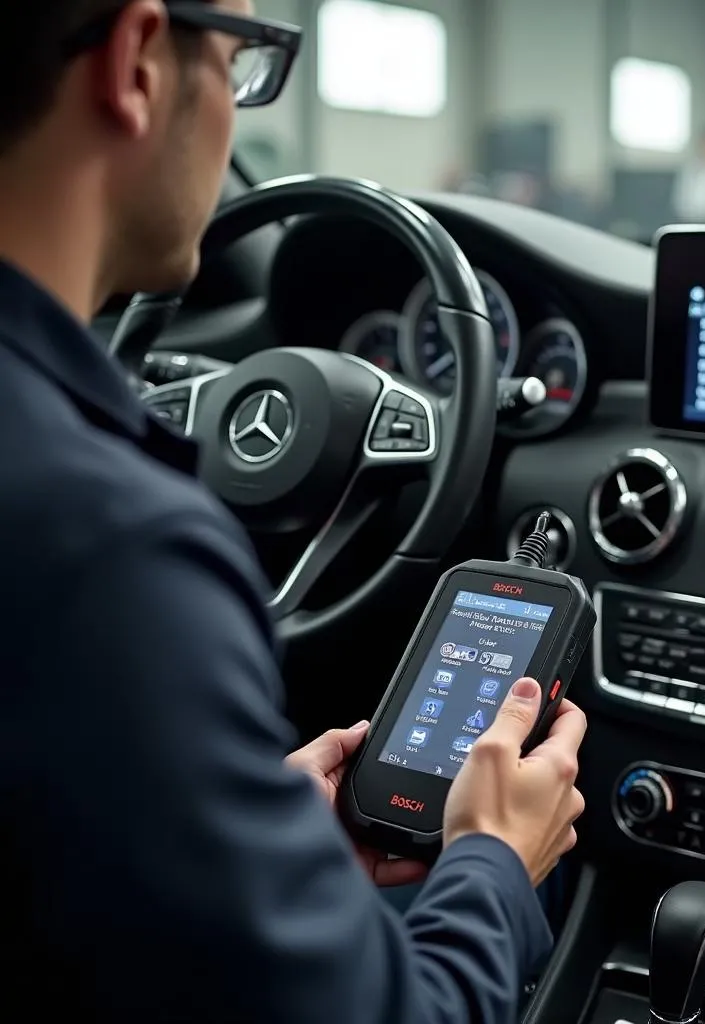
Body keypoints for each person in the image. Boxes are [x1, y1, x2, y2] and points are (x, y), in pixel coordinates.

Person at [0, 2, 587, 1022]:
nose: (237, 101)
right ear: (139, 61)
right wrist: (495, 859)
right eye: (243, 62)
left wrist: (225, 818)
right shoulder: (113, 553)